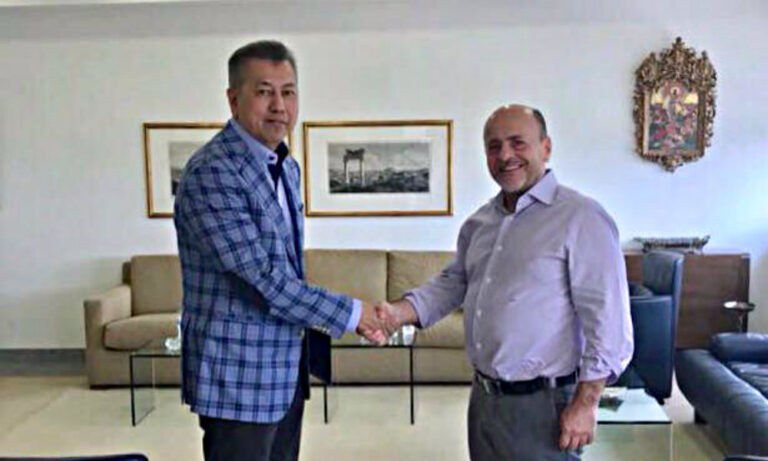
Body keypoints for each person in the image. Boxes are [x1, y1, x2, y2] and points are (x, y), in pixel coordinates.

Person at [377, 104, 634, 461]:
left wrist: (586, 403)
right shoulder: (480, 223)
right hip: (484, 401)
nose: (505, 155)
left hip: (545, 406)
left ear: (546, 147)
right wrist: (396, 313)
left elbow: (608, 320)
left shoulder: (581, 217)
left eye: (518, 142)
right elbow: (454, 283)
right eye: (494, 146)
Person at [173, 40, 390, 461]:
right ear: (233, 100)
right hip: (238, 377)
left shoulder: (286, 167)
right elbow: (264, 281)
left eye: (288, 92)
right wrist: (353, 314)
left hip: (285, 370)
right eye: (264, 92)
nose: (279, 106)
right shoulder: (213, 172)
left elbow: (287, 270)